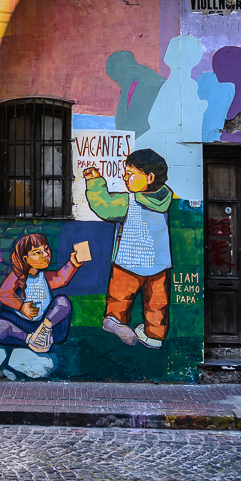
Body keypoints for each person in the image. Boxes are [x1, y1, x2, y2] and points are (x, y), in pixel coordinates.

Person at [84, 148, 172, 349]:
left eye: (130, 174)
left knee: (120, 297)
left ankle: (115, 320)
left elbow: (104, 207)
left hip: (129, 260)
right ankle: (154, 335)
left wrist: (94, 181)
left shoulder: (128, 201)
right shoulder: (165, 199)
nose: (125, 178)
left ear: (149, 177)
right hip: (159, 265)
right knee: (157, 304)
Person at [0, 233, 83, 353]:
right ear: (26, 259)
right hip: (23, 324)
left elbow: (61, 278)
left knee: (63, 302)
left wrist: (73, 263)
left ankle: (44, 334)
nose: (45, 255)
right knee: (0, 328)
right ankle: (30, 340)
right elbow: (4, 293)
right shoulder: (18, 276)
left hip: (46, 324)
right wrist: (21, 307)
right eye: (37, 252)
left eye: (46, 249)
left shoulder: (44, 276)